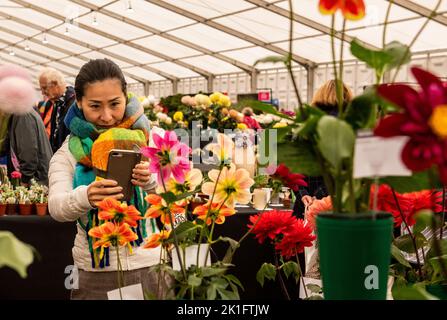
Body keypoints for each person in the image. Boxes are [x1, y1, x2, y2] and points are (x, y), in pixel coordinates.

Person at [48, 59, 171, 300]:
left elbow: (181, 194)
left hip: (152, 263)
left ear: (126, 97)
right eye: (95, 106)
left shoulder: (154, 138)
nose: (107, 116)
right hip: (96, 271)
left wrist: (152, 181)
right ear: (80, 102)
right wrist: (86, 196)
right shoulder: (69, 152)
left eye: (115, 104)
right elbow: (56, 207)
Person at [0, 64, 53, 186]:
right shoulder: (17, 114)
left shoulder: (22, 115)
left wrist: (24, 180)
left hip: (37, 180)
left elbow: (28, 152)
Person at [38, 68, 75, 152]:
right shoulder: (57, 103)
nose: (43, 93)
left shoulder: (73, 104)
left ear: (55, 84)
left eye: (44, 88)